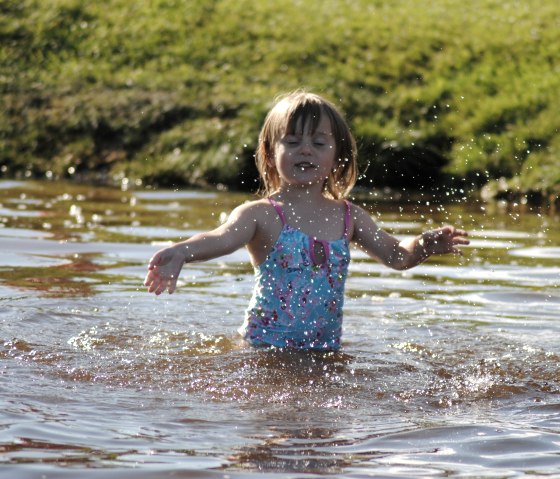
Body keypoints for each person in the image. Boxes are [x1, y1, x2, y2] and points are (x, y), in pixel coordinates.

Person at [144, 91, 469, 350]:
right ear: (271, 153)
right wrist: (181, 251)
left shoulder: (348, 216)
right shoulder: (262, 214)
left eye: (318, 143)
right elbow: (221, 237)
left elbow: (397, 254)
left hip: (325, 352)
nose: (306, 151)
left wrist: (425, 244)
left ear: (337, 155)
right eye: (293, 141)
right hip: (262, 351)